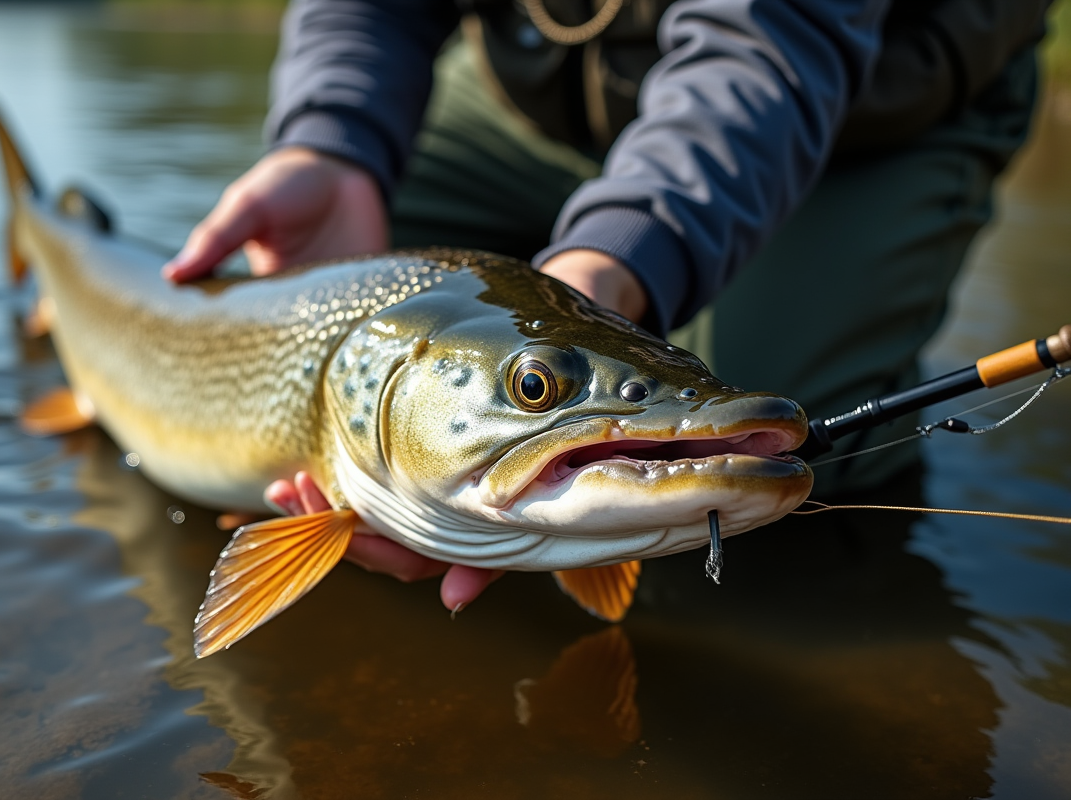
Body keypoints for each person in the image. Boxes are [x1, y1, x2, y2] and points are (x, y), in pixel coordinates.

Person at [163, 0, 1050, 611]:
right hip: (537, 88)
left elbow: (763, 48)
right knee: (369, 264)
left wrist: (614, 269)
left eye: (539, 392)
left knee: (808, 431)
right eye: (540, 391)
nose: (544, 393)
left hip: (857, 98)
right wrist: (333, 139)